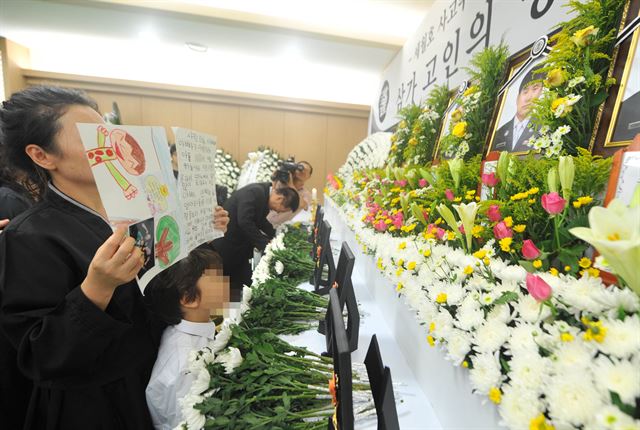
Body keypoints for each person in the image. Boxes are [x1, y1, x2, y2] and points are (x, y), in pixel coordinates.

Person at [0, 85, 229, 429]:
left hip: (154, 370)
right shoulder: (29, 236)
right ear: (42, 155)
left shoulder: (136, 209)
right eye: (89, 136)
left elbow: (163, 282)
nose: (107, 144)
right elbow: (39, 356)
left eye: (105, 132)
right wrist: (96, 288)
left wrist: (197, 231)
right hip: (98, 405)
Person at [144, 248, 229, 430]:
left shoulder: (190, 330)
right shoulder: (186, 367)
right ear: (189, 299)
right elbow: (189, 423)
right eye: (217, 278)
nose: (226, 282)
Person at [211, 182, 299, 300]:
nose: (277, 212)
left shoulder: (262, 194)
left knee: (243, 283)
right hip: (227, 245)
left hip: (238, 248)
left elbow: (260, 220)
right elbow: (245, 221)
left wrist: (274, 237)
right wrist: (266, 245)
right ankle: (227, 311)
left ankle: (238, 307)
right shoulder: (254, 192)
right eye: (282, 210)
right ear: (280, 198)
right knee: (227, 283)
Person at [492, 67, 543, 153]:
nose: (528, 98)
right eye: (525, 91)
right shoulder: (499, 133)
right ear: (517, 97)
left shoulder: (543, 128)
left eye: (535, 89)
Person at [267, 160, 313, 227]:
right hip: (263, 220)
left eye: (305, 170)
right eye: (300, 167)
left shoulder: (306, 194)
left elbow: (301, 204)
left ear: (309, 177)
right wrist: (275, 179)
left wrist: (291, 185)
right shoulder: (281, 183)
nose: (302, 171)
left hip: (277, 227)